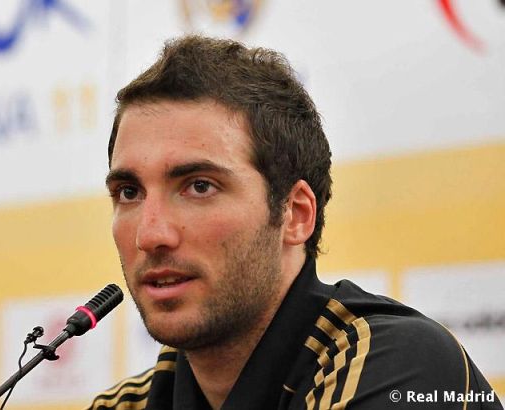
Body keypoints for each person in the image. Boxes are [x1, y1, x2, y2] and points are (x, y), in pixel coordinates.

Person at [87, 36, 502, 409]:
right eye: (129, 192)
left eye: (199, 186)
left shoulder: (399, 364)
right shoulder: (125, 403)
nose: (150, 235)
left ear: (295, 214)